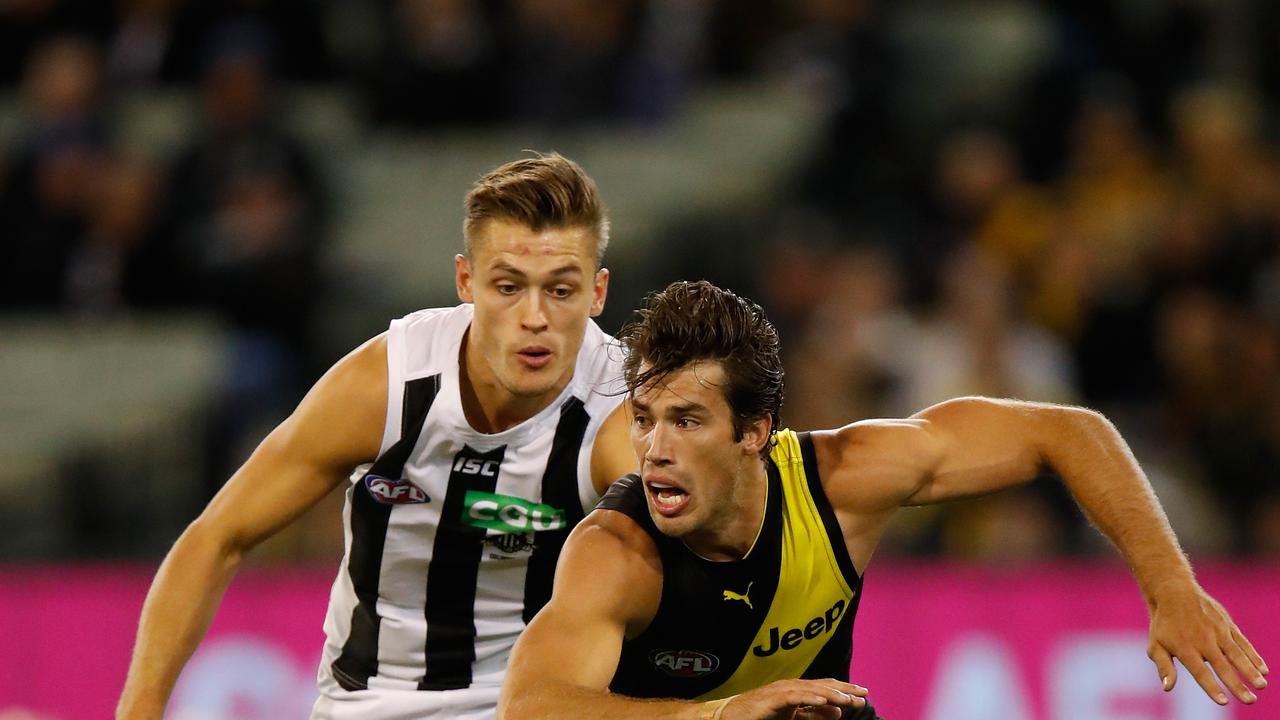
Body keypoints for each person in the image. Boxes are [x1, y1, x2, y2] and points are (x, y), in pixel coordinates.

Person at [497, 280, 1270, 720]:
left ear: (755, 432)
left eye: (687, 420)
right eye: (644, 419)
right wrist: (718, 715)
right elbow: (530, 708)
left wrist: (1170, 587)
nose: (654, 448)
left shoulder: (845, 479)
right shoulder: (618, 554)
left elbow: (1069, 433)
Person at [116, 153, 637, 720]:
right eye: (508, 286)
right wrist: (140, 709)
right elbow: (216, 538)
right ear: (466, 281)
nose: (534, 317)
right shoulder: (389, 384)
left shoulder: (622, 413)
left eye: (561, 291)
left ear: (597, 292)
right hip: (367, 706)